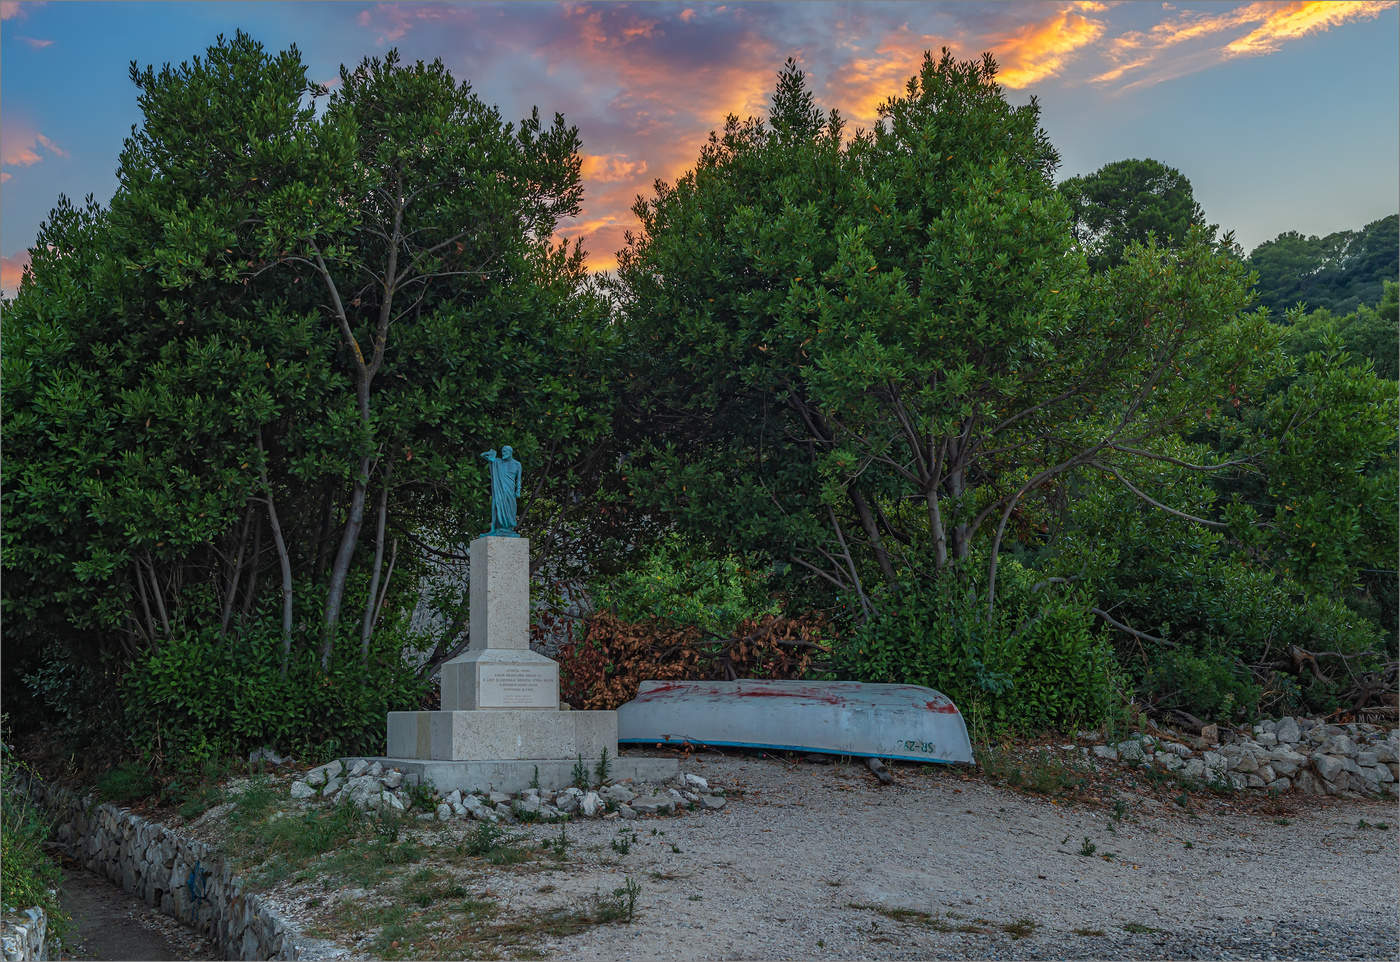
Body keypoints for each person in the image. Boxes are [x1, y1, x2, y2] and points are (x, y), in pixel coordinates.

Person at [480, 446, 522, 536]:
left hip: (510, 491)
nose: (503, 453)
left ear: (511, 452)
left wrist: (518, 490)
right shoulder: (498, 462)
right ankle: (494, 528)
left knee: (510, 509)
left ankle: (508, 528)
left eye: (505, 451)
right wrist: (490, 453)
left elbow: (518, 480)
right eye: (502, 451)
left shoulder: (517, 464)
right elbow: (482, 455)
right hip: (499, 491)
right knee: (496, 506)